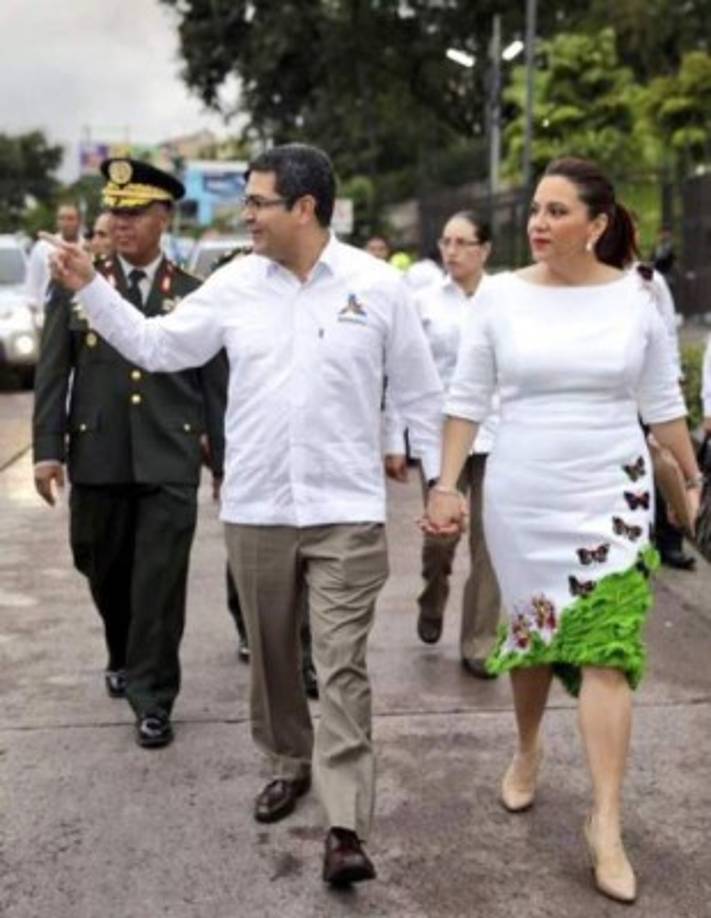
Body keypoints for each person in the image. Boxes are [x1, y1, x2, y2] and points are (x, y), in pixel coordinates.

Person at [42, 143, 443, 886]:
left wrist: (441, 485)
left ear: (304, 208)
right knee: (273, 656)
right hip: (259, 506)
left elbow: (420, 393)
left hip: (346, 508)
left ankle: (345, 824)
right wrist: (91, 286)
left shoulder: (378, 288)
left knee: (342, 664)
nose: (246, 215)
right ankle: (289, 762)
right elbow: (157, 346)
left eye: (257, 202)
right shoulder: (233, 286)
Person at [424, 157, 701, 904]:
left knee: (608, 650)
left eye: (556, 211)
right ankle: (526, 749)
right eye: (535, 210)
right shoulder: (499, 296)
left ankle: (605, 822)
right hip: (523, 496)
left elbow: (662, 400)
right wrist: (446, 484)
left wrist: (690, 475)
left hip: (612, 495)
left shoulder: (638, 296)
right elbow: (466, 399)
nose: (538, 224)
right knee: (536, 638)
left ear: (597, 224)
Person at [33, 158, 227, 750]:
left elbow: (216, 388)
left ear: (164, 217)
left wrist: (225, 464)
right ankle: (122, 649)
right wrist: (47, 450)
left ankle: (153, 698)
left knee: (159, 586)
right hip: (98, 454)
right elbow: (52, 372)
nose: (120, 222)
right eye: (114, 211)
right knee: (101, 565)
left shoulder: (193, 294)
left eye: (135, 211)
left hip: (169, 458)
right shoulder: (76, 284)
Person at [384, 211, 500, 677]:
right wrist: (395, 439)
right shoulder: (424, 302)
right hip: (441, 439)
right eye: (445, 241)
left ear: (484, 249)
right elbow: (404, 373)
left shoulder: (504, 300)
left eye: (461, 242)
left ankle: (480, 642)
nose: (451, 251)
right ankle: (432, 598)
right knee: (440, 539)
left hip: (497, 437)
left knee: (491, 545)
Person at [26, 202, 82, 313]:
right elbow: (33, 281)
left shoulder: (86, 247)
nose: (65, 223)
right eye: (61, 218)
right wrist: (34, 308)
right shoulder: (42, 247)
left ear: (79, 221)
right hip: (48, 311)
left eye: (70, 219)